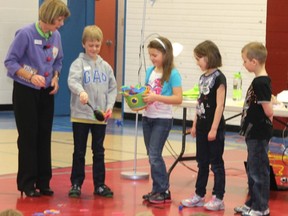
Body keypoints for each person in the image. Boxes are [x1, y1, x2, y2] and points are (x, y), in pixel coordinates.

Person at [4, 0, 70, 197]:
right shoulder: (25, 34)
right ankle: (27, 183)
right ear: (49, 17)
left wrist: (56, 78)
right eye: (59, 19)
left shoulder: (56, 35)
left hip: (46, 93)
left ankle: (44, 181)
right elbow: (10, 61)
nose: (61, 24)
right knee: (28, 137)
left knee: (44, 136)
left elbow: (58, 61)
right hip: (25, 92)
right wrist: (31, 76)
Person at [67, 25, 117, 198]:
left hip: (100, 117)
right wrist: (81, 92)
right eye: (90, 45)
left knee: (99, 151)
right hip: (81, 116)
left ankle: (100, 184)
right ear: (83, 44)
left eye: (97, 45)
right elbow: (72, 81)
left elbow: (112, 88)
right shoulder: (77, 64)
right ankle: (76, 183)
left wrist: (109, 106)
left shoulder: (106, 67)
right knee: (79, 151)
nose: (94, 49)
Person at [181, 40, 226, 211]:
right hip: (201, 127)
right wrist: (194, 123)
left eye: (199, 58)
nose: (197, 62)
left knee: (216, 163)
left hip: (214, 128)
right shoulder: (202, 77)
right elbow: (199, 102)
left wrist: (214, 128)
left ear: (209, 57)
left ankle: (218, 197)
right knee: (202, 162)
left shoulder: (219, 78)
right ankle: (199, 195)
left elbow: (219, 105)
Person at [141, 36, 183, 204]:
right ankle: (157, 188)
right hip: (147, 117)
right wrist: (139, 99)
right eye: (150, 55)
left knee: (154, 154)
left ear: (166, 55)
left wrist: (156, 97)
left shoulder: (173, 73)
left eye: (155, 55)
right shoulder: (150, 71)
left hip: (162, 118)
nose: (152, 58)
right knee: (151, 155)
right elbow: (146, 91)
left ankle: (163, 190)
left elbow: (178, 98)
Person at [234, 42, 273, 216]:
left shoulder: (261, 82)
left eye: (245, 61)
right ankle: (252, 203)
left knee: (258, 171)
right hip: (253, 133)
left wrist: (268, 122)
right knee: (252, 169)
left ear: (254, 62)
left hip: (259, 132)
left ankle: (261, 207)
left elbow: (268, 110)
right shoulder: (260, 81)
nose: (243, 64)